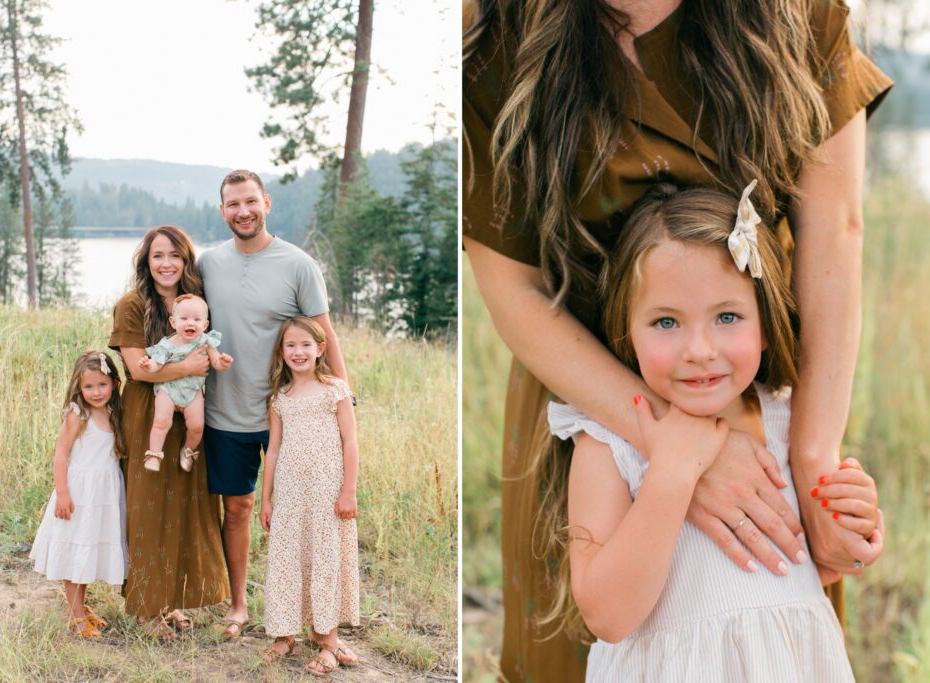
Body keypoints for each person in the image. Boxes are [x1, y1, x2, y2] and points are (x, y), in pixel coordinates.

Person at [462, 0, 893, 678]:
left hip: (761, 387)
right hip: (592, 385)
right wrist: (671, 450)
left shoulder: (799, 12)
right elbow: (513, 284)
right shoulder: (498, 30)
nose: (697, 343)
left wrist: (816, 460)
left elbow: (834, 225)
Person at [541, 183, 882, 681]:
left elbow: (814, 565)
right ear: (626, 330)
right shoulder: (611, 442)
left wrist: (855, 525)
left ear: (765, 323)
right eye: (665, 322)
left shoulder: (789, 424)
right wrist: (673, 473)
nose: (699, 349)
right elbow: (607, 616)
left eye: (727, 317)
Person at [199, 169, 348, 638]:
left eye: (250, 202)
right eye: (233, 204)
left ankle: (312, 616)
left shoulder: (298, 264)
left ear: (267, 202)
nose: (242, 212)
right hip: (226, 411)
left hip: (292, 412)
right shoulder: (207, 265)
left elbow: (324, 334)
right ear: (222, 210)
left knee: (303, 513)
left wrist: (342, 398)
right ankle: (240, 604)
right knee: (239, 509)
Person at [109, 225, 229, 640]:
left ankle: (173, 598)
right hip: (148, 416)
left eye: (175, 256)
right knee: (149, 504)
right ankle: (146, 608)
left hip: (191, 417)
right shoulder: (132, 304)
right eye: (158, 255)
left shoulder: (194, 304)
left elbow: (211, 351)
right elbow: (137, 366)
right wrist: (190, 368)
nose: (166, 264)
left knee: (184, 501)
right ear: (146, 261)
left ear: (185, 261)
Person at [259, 317, 360, 674]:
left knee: (324, 559)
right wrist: (265, 498)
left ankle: (327, 640)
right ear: (281, 352)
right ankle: (285, 634)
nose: (298, 352)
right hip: (289, 493)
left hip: (327, 492)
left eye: (305, 345)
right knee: (287, 560)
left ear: (320, 349)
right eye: (290, 345)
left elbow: (350, 441)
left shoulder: (335, 390)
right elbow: (272, 450)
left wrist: (349, 491)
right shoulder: (280, 398)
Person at [30, 351, 127, 640]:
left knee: (87, 550)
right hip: (79, 493)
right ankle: (75, 615)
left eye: (102, 385)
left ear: (113, 383)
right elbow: (61, 454)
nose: (96, 392)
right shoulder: (77, 413)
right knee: (75, 550)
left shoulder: (114, 412)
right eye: (89, 387)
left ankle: (82, 609)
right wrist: (62, 493)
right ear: (79, 387)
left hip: (104, 494)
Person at [138, 293, 234, 473]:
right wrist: (147, 365)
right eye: (184, 318)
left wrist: (223, 363)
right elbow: (156, 365)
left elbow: (215, 362)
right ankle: (154, 454)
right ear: (173, 322)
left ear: (205, 325)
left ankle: (188, 450)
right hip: (168, 389)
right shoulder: (167, 345)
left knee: (197, 426)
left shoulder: (206, 341)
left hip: (193, 390)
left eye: (197, 319)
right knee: (161, 421)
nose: (191, 323)